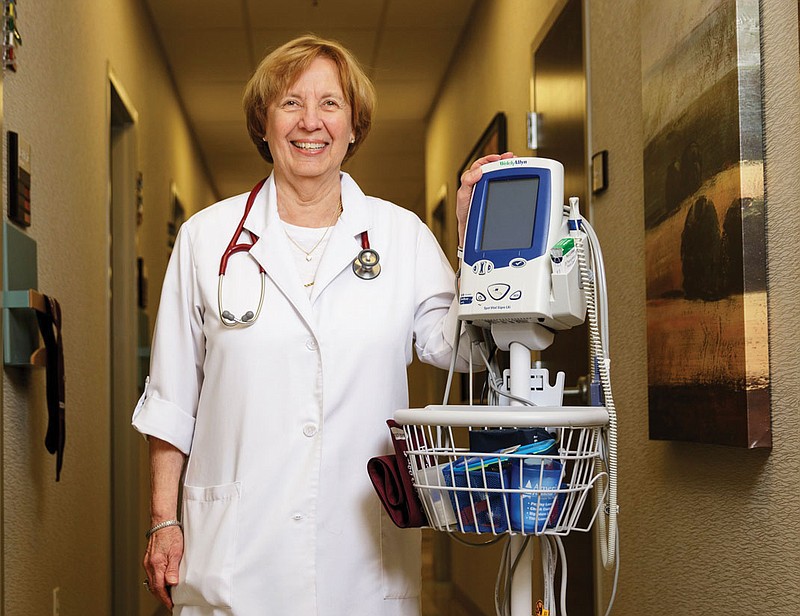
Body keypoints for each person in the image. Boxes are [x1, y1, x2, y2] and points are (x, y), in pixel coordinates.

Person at [133, 34, 512, 615]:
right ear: (264, 122)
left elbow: (458, 349)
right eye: (290, 102)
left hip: (359, 562)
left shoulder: (400, 236)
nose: (310, 122)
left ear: (354, 125)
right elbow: (170, 399)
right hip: (236, 557)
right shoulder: (205, 240)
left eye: (330, 103)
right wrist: (164, 520)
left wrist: (478, 244)